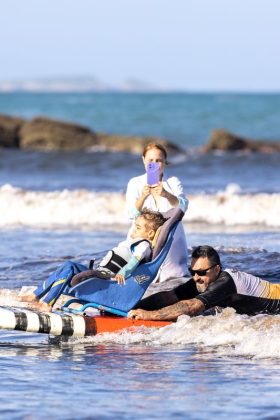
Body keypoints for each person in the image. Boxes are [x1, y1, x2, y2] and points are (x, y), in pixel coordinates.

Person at [20, 209, 166, 312]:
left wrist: (123, 271)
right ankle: (35, 295)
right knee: (68, 265)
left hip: (109, 278)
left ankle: (47, 303)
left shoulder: (144, 245)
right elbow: (135, 211)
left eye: (138, 228)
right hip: (101, 273)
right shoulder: (136, 241)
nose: (134, 230)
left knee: (70, 268)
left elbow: (136, 259)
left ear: (150, 233)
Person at [128, 245, 280, 320]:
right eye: (192, 271)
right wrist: (134, 307)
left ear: (216, 269)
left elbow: (192, 306)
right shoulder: (202, 279)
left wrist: (150, 315)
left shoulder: (225, 282)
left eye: (201, 272)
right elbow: (170, 296)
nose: (195, 277)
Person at [126, 142, 188, 282]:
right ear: (143, 160)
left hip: (170, 241)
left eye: (159, 160)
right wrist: (143, 197)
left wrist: (166, 194)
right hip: (142, 239)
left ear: (165, 162)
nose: (155, 164)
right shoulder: (135, 183)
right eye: (151, 161)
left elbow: (183, 206)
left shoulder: (172, 182)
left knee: (172, 279)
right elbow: (131, 215)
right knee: (138, 277)